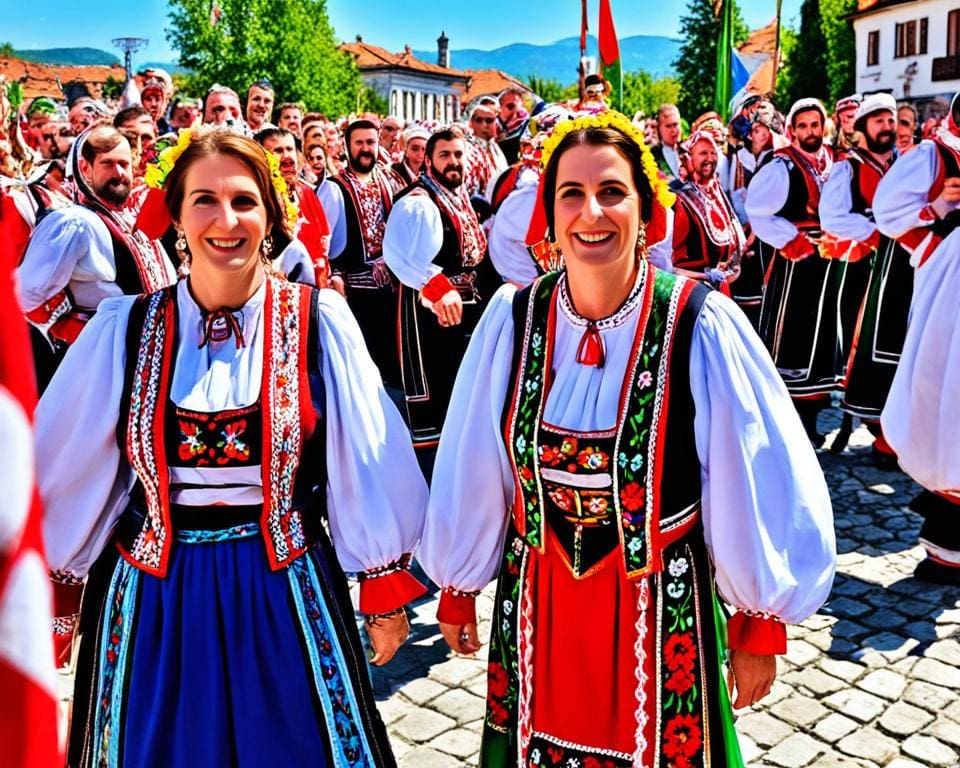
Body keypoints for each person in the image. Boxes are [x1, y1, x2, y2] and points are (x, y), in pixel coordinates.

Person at [420, 111, 835, 767]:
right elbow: (476, 461)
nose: (592, 212)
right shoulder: (515, 319)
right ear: (549, 215)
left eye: (612, 191)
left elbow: (749, 468)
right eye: (572, 194)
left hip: (660, 608)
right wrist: (459, 579)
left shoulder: (698, 322)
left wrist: (759, 618)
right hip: (540, 606)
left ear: (646, 209)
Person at [38, 129, 429, 766]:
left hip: (282, 591)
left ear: (272, 217)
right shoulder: (126, 327)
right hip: (156, 600)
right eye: (204, 201)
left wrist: (380, 579)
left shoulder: (315, 321)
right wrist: (58, 589)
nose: (226, 221)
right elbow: (70, 465)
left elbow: (367, 452)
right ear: (175, 214)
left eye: (245, 201)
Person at [874, 91, 960, 585]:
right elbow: (889, 210)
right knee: (944, 393)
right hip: (952, 281)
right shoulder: (936, 153)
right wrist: (935, 222)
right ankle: (947, 545)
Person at [18, 125, 175, 389]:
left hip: (146, 363)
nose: (119, 173)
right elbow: (24, 294)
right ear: (86, 168)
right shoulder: (73, 221)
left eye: (124, 164)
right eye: (108, 164)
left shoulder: (132, 221)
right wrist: (70, 327)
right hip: (97, 369)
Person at [383, 124, 500, 452]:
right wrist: (436, 287)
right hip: (431, 315)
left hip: (467, 310)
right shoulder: (419, 201)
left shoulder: (460, 197)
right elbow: (401, 253)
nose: (454, 162)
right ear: (429, 162)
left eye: (458, 155)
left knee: (466, 389)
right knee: (442, 393)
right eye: (445, 155)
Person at [819, 93, 909, 465]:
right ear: (862, 129)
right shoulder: (847, 168)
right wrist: (875, 230)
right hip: (863, 272)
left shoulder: (908, 163)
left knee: (906, 347)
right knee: (871, 347)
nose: (887, 128)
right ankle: (880, 433)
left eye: (891, 121)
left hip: (905, 273)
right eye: (878, 121)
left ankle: (902, 432)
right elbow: (832, 217)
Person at [746, 98, 838, 444]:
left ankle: (812, 416)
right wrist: (789, 239)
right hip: (797, 264)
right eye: (803, 126)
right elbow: (758, 210)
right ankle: (788, 420)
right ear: (792, 130)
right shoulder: (782, 166)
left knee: (822, 335)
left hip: (828, 261)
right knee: (793, 337)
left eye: (815, 125)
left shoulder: (832, 161)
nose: (810, 132)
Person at [327, 119, 399, 385]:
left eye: (371, 142)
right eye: (359, 143)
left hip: (389, 294)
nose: (366, 149)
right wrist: (335, 277)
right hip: (353, 294)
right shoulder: (334, 188)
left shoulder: (388, 182)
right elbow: (324, 243)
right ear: (347, 147)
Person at [670, 130, 745, 292]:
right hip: (695, 294)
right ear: (689, 159)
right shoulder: (679, 200)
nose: (710, 158)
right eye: (703, 153)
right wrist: (707, 276)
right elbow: (667, 266)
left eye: (713, 153)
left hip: (727, 289)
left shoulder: (716, 191)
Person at [651, 103, 682, 181]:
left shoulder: (691, 151)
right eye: (668, 126)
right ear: (659, 128)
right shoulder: (652, 156)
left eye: (675, 124)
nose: (674, 130)